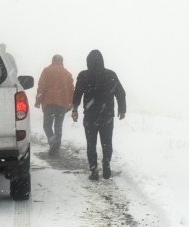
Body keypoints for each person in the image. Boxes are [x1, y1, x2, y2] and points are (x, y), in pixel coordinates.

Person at [71, 50, 126, 181]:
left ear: (88, 61)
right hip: (107, 116)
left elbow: (77, 93)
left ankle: (94, 169)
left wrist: (75, 109)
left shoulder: (84, 75)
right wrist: (122, 109)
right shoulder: (111, 75)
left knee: (91, 143)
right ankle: (106, 162)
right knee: (107, 142)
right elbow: (121, 93)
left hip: (90, 115)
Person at [35, 54, 74, 155]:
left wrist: (38, 101)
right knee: (58, 126)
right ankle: (56, 146)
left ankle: (53, 142)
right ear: (62, 61)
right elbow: (71, 90)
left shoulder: (47, 71)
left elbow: (41, 87)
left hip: (49, 103)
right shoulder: (67, 74)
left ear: (52, 60)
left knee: (47, 126)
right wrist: (70, 103)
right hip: (62, 105)